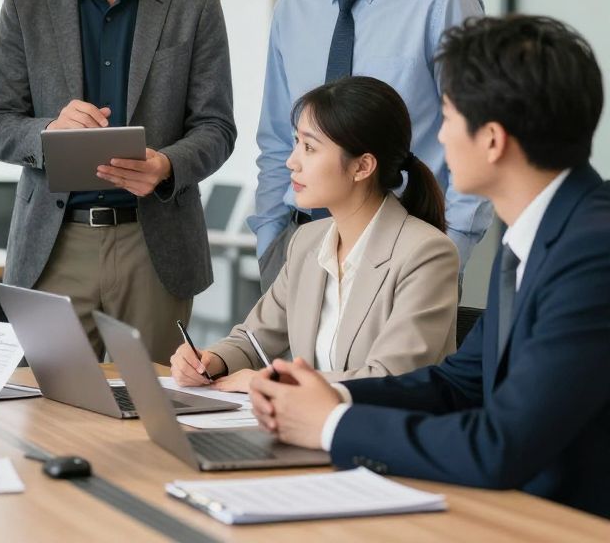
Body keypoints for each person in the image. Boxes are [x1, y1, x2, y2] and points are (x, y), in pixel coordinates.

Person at [249, 15, 610, 519]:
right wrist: (324, 394)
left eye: (446, 115)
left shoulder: (593, 252)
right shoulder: (537, 235)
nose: (437, 136)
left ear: (492, 139)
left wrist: (330, 425)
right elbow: (455, 384)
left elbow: (499, 445)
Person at [0, 0, 236, 365]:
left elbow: (216, 127)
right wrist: (47, 132)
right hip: (55, 244)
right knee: (48, 411)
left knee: (154, 412)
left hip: (155, 243)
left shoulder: (194, 1)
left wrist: (167, 164)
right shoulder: (25, 3)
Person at [249, 0, 492, 291]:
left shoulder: (443, 0)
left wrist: (450, 251)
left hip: (403, 248)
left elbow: (477, 133)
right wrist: (271, 242)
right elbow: (278, 138)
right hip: (299, 246)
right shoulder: (293, 8)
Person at [171, 76, 458, 391]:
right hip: (312, 428)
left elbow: (391, 378)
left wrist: (271, 382)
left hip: (382, 432)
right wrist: (210, 361)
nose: (291, 161)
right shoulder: (308, 241)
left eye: (309, 147)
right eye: (296, 143)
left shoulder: (427, 253)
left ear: (362, 167)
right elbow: (254, 340)